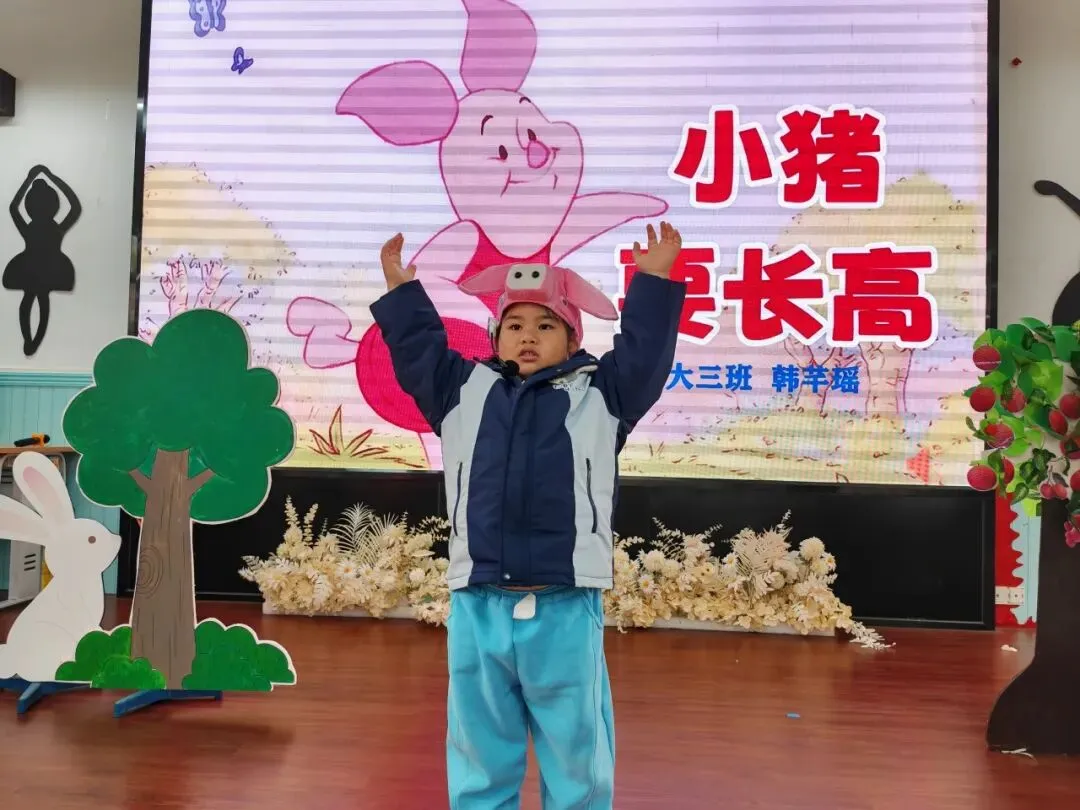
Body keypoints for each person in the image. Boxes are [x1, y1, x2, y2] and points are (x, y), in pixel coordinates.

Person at [370, 221, 687, 809]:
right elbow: (419, 352)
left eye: (546, 326)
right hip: (478, 602)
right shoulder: (461, 390)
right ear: (496, 337)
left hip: (564, 603)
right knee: (479, 744)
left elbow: (645, 356)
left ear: (572, 338)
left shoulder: (603, 395)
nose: (528, 337)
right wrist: (402, 292)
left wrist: (652, 281)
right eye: (514, 325)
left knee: (576, 746)